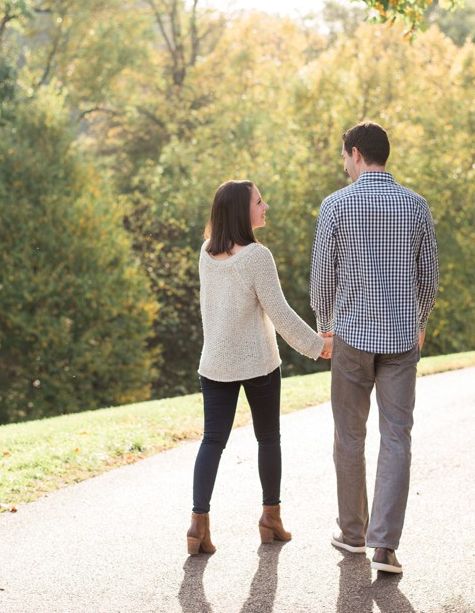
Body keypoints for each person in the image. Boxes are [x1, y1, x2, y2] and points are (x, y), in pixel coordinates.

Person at [310, 121, 439, 574]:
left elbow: (323, 276)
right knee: (397, 437)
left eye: (345, 155)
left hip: (351, 338)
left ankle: (352, 534)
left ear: (357, 153)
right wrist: (419, 320)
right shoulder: (416, 205)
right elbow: (429, 277)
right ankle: (384, 547)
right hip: (402, 339)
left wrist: (325, 326)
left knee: (349, 435)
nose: (343, 164)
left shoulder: (336, 205)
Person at [187, 179, 332, 555]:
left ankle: (197, 523)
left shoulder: (206, 252)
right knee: (268, 440)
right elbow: (280, 313)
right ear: (241, 210)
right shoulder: (256, 257)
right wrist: (318, 346)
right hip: (257, 365)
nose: (265, 206)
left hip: (214, 364)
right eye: (259, 201)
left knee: (212, 442)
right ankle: (271, 518)